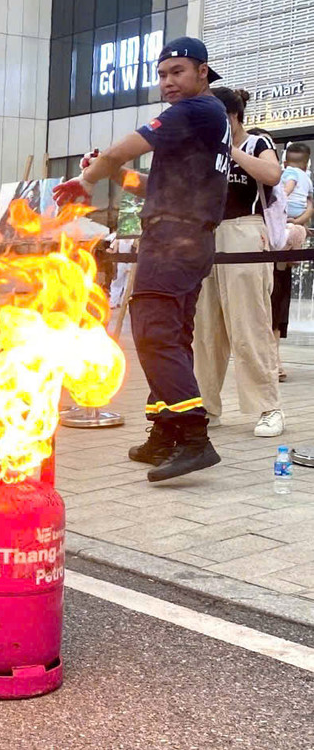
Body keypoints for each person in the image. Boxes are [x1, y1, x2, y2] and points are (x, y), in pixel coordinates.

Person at [53, 37, 230, 482]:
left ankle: (193, 437)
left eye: (178, 72)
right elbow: (151, 185)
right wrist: (111, 172)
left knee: (153, 334)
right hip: (186, 237)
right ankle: (166, 433)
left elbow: (124, 148)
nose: (168, 82)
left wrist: (89, 176)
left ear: (202, 72)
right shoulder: (205, 119)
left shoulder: (193, 111)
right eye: (162, 74)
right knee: (170, 337)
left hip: (175, 241)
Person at [191, 90, 283, 437]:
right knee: (206, 328)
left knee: (250, 323)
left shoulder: (257, 142)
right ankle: (207, 405)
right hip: (207, 235)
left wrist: (228, 149)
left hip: (244, 230)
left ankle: (268, 407)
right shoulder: (203, 151)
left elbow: (272, 175)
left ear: (231, 116)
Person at [273, 142, 314, 380]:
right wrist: (298, 223)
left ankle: (274, 364)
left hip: (278, 236)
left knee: (275, 308)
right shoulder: (306, 180)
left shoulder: (284, 178)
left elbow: (283, 195)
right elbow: (310, 207)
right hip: (291, 227)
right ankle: (291, 256)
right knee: (275, 309)